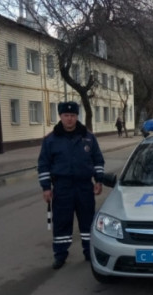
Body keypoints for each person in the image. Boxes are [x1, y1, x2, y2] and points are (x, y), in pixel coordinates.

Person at [38, 101, 105, 270]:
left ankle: (89, 252)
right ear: (60, 116)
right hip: (62, 187)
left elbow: (98, 160)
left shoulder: (88, 137)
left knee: (88, 221)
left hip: (84, 187)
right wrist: (46, 188)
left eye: (73, 115)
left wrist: (99, 180)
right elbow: (43, 165)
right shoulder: (50, 140)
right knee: (62, 222)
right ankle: (60, 255)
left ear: (77, 116)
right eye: (66, 115)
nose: (69, 119)